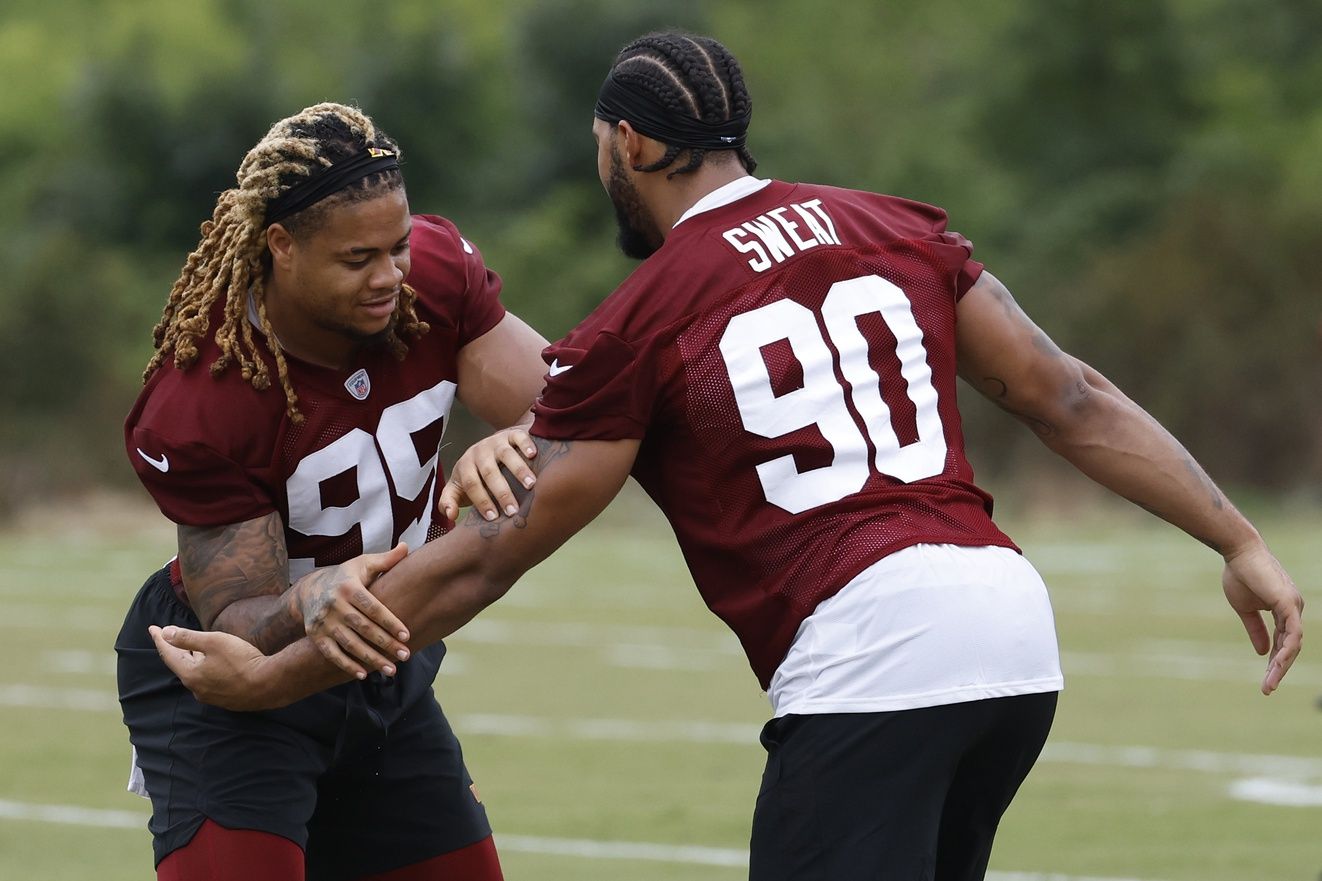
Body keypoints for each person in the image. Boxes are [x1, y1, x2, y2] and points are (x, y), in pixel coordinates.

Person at [150, 35, 1304, 881]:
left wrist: (271, 674)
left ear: (631, 143)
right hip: (1010, 635)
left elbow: (478, 567)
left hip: (869, 657)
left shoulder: (639, 320)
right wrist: (1236, 536)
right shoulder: (892, 224)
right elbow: (1068, 390)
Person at [116, 102, 551, 881]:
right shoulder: (206, 392)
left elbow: (574, 407)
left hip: (383, 664)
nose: (389, 276)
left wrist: (512, 438)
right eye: (358, 259)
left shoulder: (437, 278)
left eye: (400, 246)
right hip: (233, 691)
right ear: (280, 245)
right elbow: (239, 616)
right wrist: (310, 594)